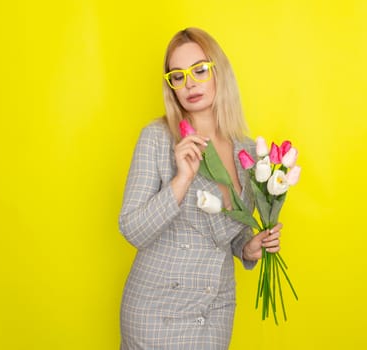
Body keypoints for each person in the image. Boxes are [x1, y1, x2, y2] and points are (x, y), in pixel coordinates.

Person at [118, 27, 283, 349]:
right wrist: (182, 180)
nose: (190, 82)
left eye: (199, 70)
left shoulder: (245, 150)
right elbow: (132, 229)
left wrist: (248, 248)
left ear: (218, 71)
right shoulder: (157, 138)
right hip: (157, 310)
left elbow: (226, 232)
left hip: (214, 307)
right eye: (177, 76)